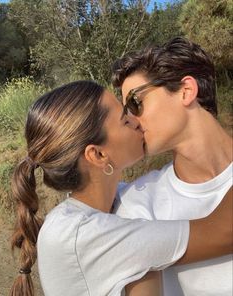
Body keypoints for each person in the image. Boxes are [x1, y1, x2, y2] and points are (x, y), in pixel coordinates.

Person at [10, 80, 232, 296]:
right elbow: (223, 231)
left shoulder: (107, 207)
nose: (136, 120)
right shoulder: (81, 234)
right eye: (124, 120)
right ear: (98, 155)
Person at [112, 37, 233, 296]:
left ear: (186, 91)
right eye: (126, 113)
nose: (131, 121)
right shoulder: (137, 203)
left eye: (135, 103)